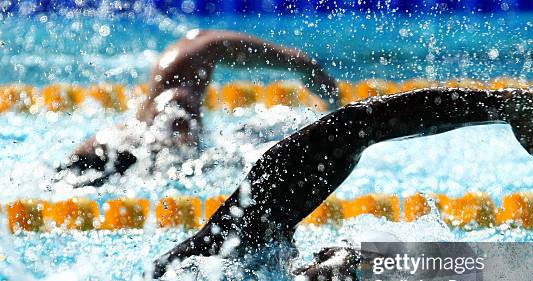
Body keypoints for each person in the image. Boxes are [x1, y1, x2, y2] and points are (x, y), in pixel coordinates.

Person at [152, 87, 533, 281]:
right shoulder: (249, 221)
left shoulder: (244, 242)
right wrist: (498, 106)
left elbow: (359, 125)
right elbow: (359, 123)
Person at [56, 30, 339, 186]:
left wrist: (299, 63)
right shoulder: (177, 97)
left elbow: (205, 45)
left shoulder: (137, 133)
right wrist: (301, 63)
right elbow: (205, 44)